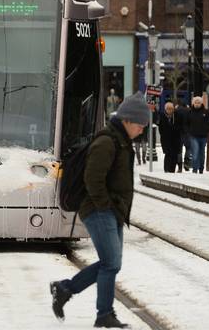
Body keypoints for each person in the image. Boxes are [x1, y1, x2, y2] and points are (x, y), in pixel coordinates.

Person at [50, 92, 148, 329]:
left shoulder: (121, 140)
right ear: (127, 120)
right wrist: (105, 206)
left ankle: (65, 290)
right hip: (98, 210)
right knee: (111, 263)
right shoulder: (107, 142)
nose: (142, 130)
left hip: (112, 210)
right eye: (140, 124)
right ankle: (103, 314)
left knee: (110, 263)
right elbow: (93, 178)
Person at [187, 96, 209, 174]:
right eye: (196, 102)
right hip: (193, 136)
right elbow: (186, 123)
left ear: (201, 103)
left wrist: (206, 130)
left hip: (203, 136)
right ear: (193, 103)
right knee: (195, 152)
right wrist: (189, 131)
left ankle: (201, 168)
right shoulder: (190, 112)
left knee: (202, 153)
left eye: (199, 102)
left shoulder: (206, 112)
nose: (197, 104)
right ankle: (195, 169)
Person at [158, 102, 181, 173]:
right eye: (168, 109)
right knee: (168, 153)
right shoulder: (162, 116)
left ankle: (172, 169)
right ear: (165, 109)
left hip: (175, 138)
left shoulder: (177, 115)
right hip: (166, 138)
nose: (169, 110)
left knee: (174, 154)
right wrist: (163, 134)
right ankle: (166, 168)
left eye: (171, 109)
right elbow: (160, 128)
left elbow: (180, 126)